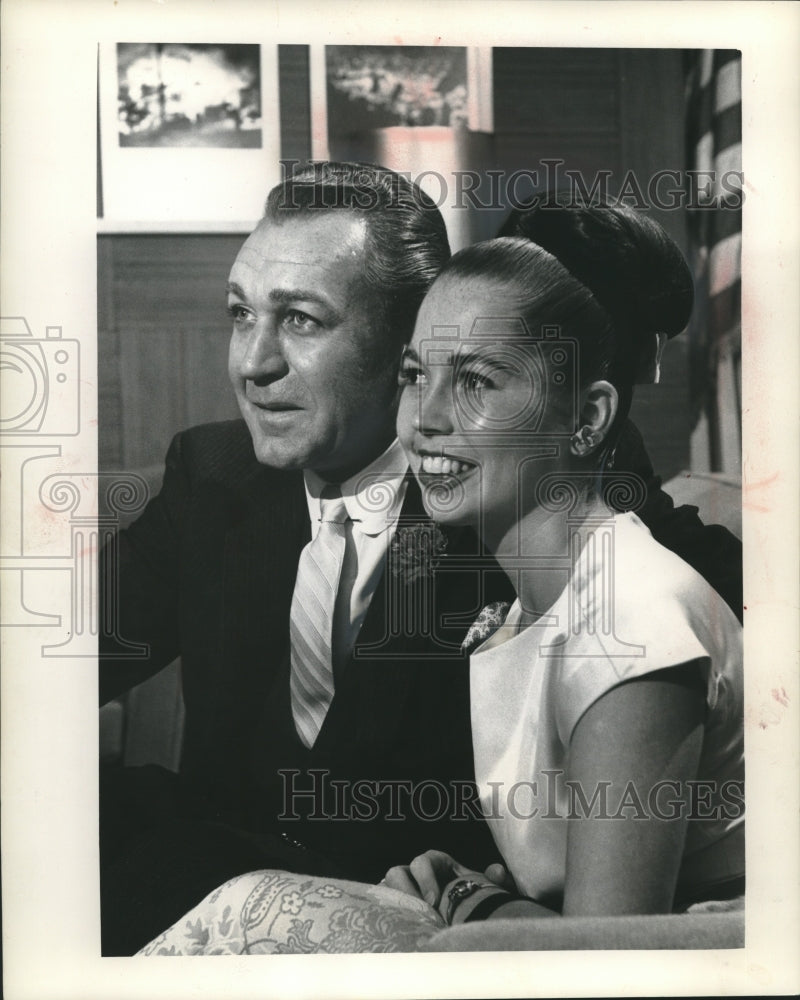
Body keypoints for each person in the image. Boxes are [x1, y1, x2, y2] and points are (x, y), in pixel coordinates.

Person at [100, 165, 742, 954]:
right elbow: (50, 667)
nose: (252, 363)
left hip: (417, 922)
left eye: (302, 320)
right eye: (240, 315)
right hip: (204, 886)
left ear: (414, 323)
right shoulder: (210, 475)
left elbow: (674, 595)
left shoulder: (533, 482)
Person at [381, 203, 744, 926]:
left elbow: (608, 957)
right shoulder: (528, 604)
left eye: (478, 381)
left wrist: (467, 900)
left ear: (587, 419)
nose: (426, 416)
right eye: (416, 374)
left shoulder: (632, 622)